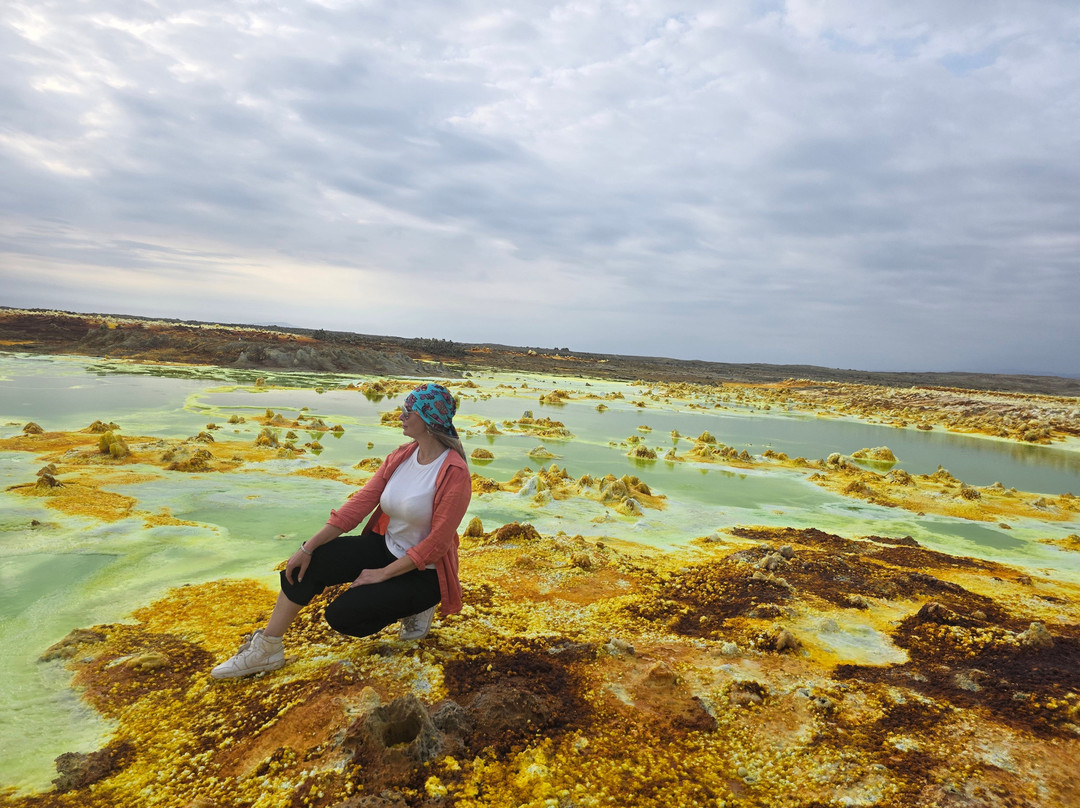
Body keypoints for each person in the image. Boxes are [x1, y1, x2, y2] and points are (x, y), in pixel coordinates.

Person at [211, 382, 471, 679]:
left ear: (426, 419)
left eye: (407, 411)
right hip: (386, 548)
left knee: (342, 617)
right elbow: (359, 504)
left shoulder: (454, 472)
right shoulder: (402, 456)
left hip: (424, 573)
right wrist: (307, 547)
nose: (401, 416)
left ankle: (417, 607)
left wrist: (381, 575)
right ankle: (268, 648)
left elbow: (437, 544)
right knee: (310, 563)